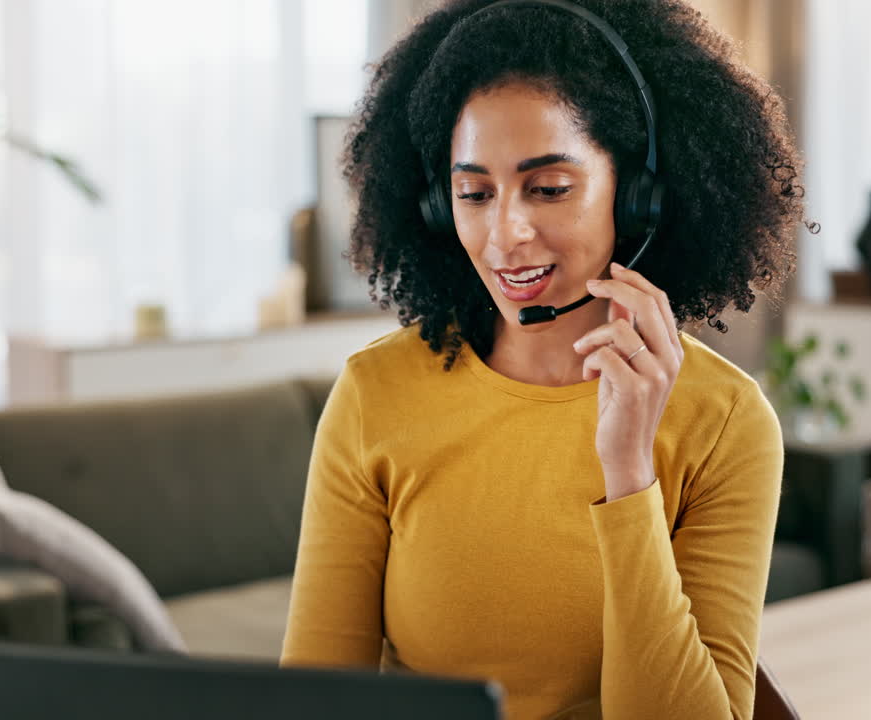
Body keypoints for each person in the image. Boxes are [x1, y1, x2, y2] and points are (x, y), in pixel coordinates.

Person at [280, 1, 808, 718]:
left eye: (549, 188)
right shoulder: (376, 395)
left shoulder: (725, 422)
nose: (506, 235)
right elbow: (313, 701)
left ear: (641, 196)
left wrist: (628, 474)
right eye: (473, 193)